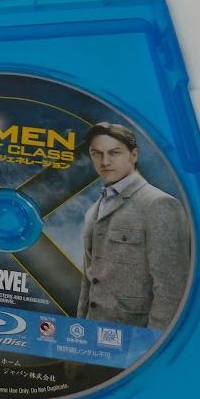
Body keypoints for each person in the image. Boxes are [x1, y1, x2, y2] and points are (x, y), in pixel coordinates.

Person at [77, 122, 191, 330]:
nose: (105, 162)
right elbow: (89, 281)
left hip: (135, 340)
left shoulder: (159, 204)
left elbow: (172, 288)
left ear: (134, 155)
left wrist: (153, 343)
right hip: (91, 336)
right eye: (96, 154)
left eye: (114, 153)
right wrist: (79, 334)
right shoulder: (93, 210)